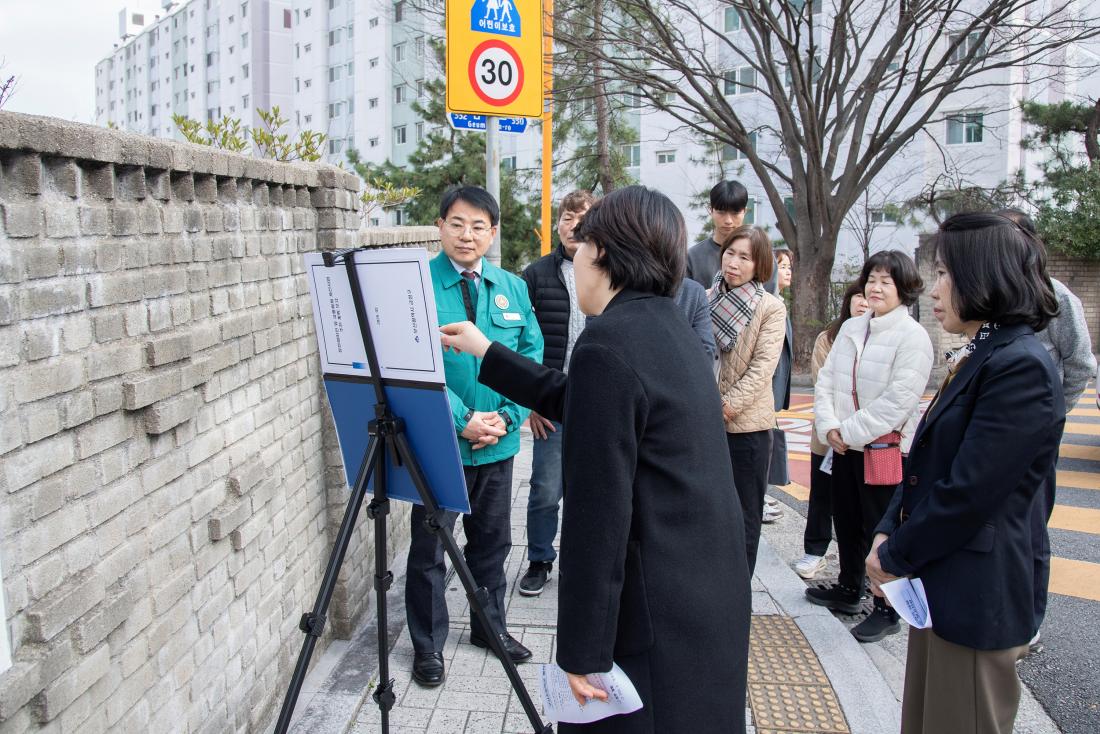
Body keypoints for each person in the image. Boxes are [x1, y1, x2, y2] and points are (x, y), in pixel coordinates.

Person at [440, 186, 751, 734]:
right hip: (703, 592)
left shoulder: (608, 344)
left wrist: (581, 651)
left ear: (603, 254)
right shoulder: (665, 325)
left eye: (581, 249)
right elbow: (582, 400)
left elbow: (598, 517)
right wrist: (487, 350)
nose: (574, 261)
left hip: (652, 607)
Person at [866, 212, 1064, 734]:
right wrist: (890, 528)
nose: (934, 289)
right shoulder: (983, 354)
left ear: (982, 277)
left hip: (978, 593)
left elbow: (970, 491)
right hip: (944, 581)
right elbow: (926, 463)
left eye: (945, 274)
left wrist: (894, 553)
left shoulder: (1020, 366)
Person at [406, 186, 544, 687]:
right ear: (440, 225)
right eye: (458, 223)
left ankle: (490, 628)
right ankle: (427, 646)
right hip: (439, 441)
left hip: (499, 443)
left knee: (493, 543)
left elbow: (530, 359)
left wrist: (508, 418)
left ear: (493, 232)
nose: (467, 235)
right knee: (430, 548)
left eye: (478, 226)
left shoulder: (512, 286)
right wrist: (460, 417)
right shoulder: (416, 284)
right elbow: (409, 365)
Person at [809, 250, 932, 642]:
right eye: (872, 279)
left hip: (882, 451)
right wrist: (829, 426)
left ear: (904, 289)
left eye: (886, 281)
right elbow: (827, 381)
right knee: (845, 520)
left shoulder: (913, 337)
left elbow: (899, 400)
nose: (876, 288)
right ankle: (849, 588)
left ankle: (887, 607)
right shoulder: (851, 328)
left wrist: (847, 431)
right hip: (844, 447)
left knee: (882, 530)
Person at [996, 209, 1095, 654]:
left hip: (1035, 439)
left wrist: (1051, 417)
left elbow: (1079, 366)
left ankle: (1030, 621)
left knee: (1031, 530)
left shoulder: (1055, 298)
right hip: (994, 434)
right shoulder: (990, 295)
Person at [518, 190, 595, 596]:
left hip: (598, 402)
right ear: (557, 222)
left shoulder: (606, 270)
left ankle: (583, 563)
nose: (574, 225)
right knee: (546, 488)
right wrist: (532, 401)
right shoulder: (536, 274)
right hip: (551, 402)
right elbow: (521, 341)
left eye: (583, 217)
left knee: (592, 490)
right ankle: (539, 559)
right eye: (568, 217)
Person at [710, 225, 787, 576]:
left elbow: (762, 369)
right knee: (708, 510)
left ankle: (738, 588)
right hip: (706, 424)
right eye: (730, 253)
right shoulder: (705, 297)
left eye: (745, 257)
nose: (734, 263)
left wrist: (724, 407)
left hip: (747, 428)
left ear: (759, 265)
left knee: (744, 514)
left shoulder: (771, 308)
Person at [793, 283, 869, 579]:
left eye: (869, 294)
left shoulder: (883, 339)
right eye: (858, 295)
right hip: (829, 435)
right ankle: (815, 551)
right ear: (848, 301)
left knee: (860, 504)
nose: (863, 301)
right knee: (822, 494)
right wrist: (836, 427)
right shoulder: (829, 338)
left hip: (864, 437)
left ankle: (857, 570)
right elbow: (823, 382)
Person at [764, 247, 794, 523]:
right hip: (762, 389)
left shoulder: (779, 303)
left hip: (774, 387)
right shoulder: (768, 305)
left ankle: (763, 492)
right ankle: (760, 494)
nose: (786, 271)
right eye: (781, 265)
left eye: (788, 266)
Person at [685, 180, 749, 288]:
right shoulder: (693, 257)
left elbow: (771, 302)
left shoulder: (760, 255)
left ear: (744, 212)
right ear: (711, 210)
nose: (728, 220)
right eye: (721, 212)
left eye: (735, 213)